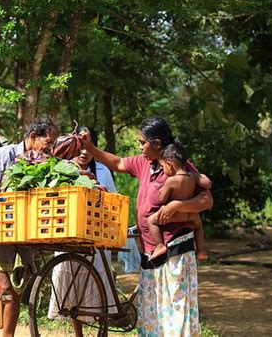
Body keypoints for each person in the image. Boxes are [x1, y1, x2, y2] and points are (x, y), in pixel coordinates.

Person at [80, 116, 213, 336]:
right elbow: (119, 163)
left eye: (143, 142)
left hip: (175, 246)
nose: (140, 147)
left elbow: (207, 201)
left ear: (157, 144)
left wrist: (178, 205)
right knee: (154, 309)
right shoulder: (145, 162)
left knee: (175, 307)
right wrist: (91, 148)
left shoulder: (179, 165)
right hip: (150, 249)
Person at [0, 117, 58, 337]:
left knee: (16, 292)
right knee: (2, 288)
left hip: (26, 235)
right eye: (48, 142)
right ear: (33, 137)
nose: (50, 148)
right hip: (2, 232)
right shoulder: (4, 154)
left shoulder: (45, 161)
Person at [48, 126, 117, 337]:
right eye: (80, 147)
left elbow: (112, 200)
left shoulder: (103, 171)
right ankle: (78, 333)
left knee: (100, 284)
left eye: (88, 147)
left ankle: (102, 331)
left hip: (96, 236)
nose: (84, 153)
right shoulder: (61, 170)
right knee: (71, 289)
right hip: (69, 235)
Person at [147, 142, 212, 260]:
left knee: (151, 221)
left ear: (169, 164)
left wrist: (162, 191)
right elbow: (207, 184)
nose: (163, 170)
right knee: (199, 226)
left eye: (163, 167)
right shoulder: (193, 176)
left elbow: (162, 199)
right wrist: (201, 176)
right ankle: (201, 251)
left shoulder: (171, 181)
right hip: (191, 215)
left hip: (175, 215)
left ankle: (160, 246)